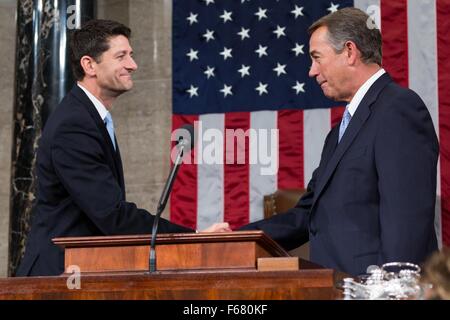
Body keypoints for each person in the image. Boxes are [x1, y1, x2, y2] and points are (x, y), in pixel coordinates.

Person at [16, 19, 230, 277]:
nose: (133, 65)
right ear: (89, 65)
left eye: (131, 55)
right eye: (121, 56)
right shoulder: (73, 124)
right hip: (58, 276)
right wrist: (193, 237)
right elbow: (113, 215)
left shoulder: (90, 116)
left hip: (83, 271)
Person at [240, 8, 439, 276]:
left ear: (349, 51)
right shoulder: (339, 133)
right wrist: (234, 238)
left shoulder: (398, 109)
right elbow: (306, 214)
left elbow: (406, 223)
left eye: (316, 57)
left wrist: (388, 293)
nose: (311, 71)